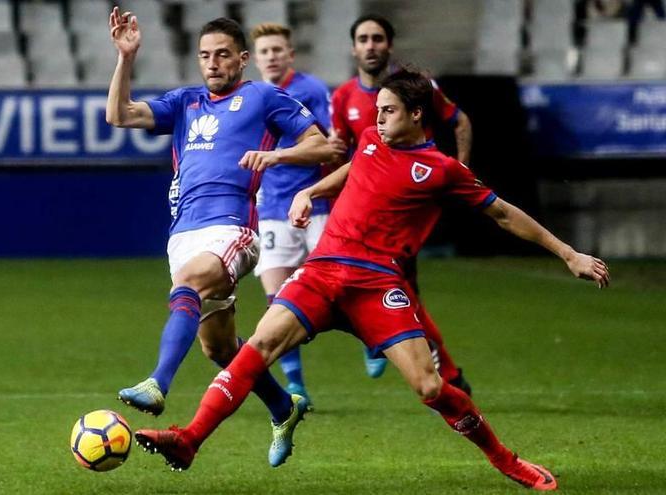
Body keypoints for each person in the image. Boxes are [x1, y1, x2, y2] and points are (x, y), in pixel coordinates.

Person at [134, 69, 610, 491]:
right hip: (322, 271)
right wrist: (312, 190)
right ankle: (190, 439)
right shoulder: (369, 140)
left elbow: (503, 214)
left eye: (388, 111)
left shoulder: (442, 170)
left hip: (378, 285)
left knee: (428, 387)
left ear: (417, 114)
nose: (378, 119)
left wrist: (569, 255)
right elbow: (354, 166)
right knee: (258, 346)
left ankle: (507, 461)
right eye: (377, 109)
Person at [105, 9, 337, 466]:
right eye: (205, 56)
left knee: (189, 284)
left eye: (223, 55)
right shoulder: (185, 102)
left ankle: (157, 384)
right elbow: (119, 114)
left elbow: (324, 145)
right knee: (221, 348)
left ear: (243, 59)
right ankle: (283, 406)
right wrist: (126, 58)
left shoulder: (263, 96)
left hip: (234, 228)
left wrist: (276, 157)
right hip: (184, 232)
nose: (213, 63)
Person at [330, 14, 474, 387]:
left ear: (389, 45)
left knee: (402, 292)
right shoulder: (344, 96)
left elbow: (461, 122)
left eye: (378, 38)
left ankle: (443, 376)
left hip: (406, 205)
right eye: (363, 38)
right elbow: (345, 156)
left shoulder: (417, 90)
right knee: (398, 295)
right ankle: (446, 376)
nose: (371, 45)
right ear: (354, 48)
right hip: (361, 218)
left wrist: (460, 173)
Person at [249, 22, 331, 407]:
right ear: (255, 57)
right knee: (278, 300)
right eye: (264, 51)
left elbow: (329, 148)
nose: (271, 56)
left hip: (316, 204)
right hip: (271, 207)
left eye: (277, 49)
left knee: (339, 290)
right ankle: (296, 384)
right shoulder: (251, 96)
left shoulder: (311, 90)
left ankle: (373, 344)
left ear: (290, 54)